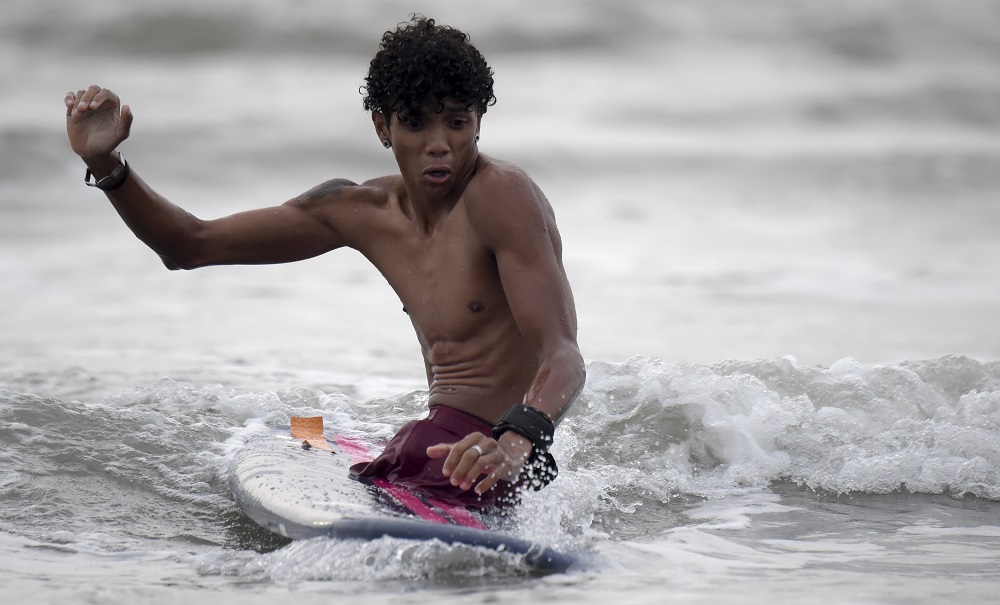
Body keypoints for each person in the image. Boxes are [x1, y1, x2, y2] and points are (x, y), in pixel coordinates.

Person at [64, 16, 585, 509]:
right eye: (415, 123)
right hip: (439, 450)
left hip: (494, 460)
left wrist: (516, 444)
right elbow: (190, 245)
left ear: (479, 121)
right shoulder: (358, 210)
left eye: (456, 122)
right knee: (287, 432)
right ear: (383, 126)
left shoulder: (501, 196)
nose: (439, 146)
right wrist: (106, 164)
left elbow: (562, 356)